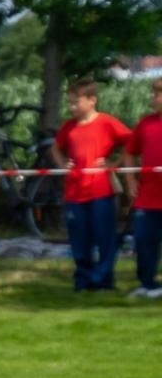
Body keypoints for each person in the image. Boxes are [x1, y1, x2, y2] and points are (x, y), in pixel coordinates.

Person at [51, 78, 130, 293]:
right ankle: (83, 280)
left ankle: (104, 280)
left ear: (92, 100)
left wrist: (114, 163)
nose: (72, 107)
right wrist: (62, 164)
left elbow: (131, 142)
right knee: (79, 241)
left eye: (76, 102)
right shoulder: (69, 127)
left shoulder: (106, 122)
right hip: (74, 193)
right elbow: (55, 148)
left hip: (100, 191)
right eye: (70, 102)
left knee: (105, 239)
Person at [123, 77, 162, 298]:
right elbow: (129, 152)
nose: (153, 99)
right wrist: (130, 180)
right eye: (153, 94)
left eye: (157, 94)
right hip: (148, 197)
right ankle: (147, 284)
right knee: (144, 241)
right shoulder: (145, 124)